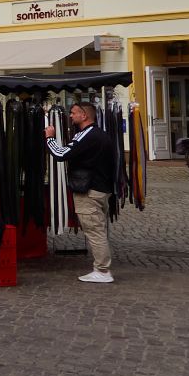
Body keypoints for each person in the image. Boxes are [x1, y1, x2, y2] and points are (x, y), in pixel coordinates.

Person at [46, 99, 117, 284]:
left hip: (90, 190)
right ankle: (101, 269)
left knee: (95, 231)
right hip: (101, 188)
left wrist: (50, 138)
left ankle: (102, 270)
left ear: (84, 115)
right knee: (98, 229)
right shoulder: (101, 135)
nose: (70, 116)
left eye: (73, 113)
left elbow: (61, 154)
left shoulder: (87, 135)